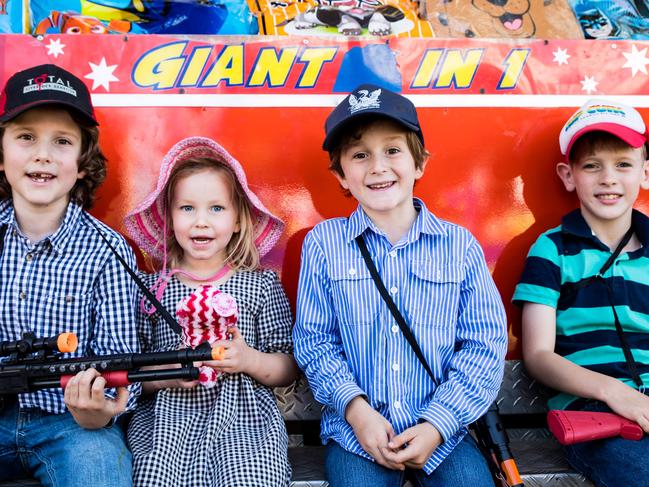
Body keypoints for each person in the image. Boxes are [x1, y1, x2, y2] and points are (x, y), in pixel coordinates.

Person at [292, 84, 508, 486]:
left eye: (392, 150)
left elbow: (484, 345)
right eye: (360, 155)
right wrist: (357, 412)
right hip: (357, 435)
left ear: (419, 163)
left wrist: (437, 424)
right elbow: (315, 342)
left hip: (444, 435)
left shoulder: (459, 246)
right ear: (340, 173)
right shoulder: (323, 244)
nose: (377, 166)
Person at [123, 136, 298, 487]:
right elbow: (133, 370)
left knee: (252, 479)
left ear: (237, 220)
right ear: (169, 219)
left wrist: (248, 360)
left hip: (244, 421)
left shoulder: (261, 285)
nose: (201, 221)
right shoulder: (151, 288)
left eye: (216, 208)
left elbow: (289, 365)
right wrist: (167, 374)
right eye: (187, 208)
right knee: (152, 478)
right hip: (167, 423)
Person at [0, 64, 139, 485]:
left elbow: (120, 363)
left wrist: (103, 409)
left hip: (70, 424)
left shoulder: (108, 250)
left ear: (82, 164)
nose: (43, 154)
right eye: (26, 137)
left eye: (62, 142)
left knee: (99, 468)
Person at [513, 99, 649, 486]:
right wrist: (613, 393)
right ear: (568, 175)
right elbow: (538, 355)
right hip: (594, 416)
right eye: (592, 165)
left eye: (623, 164)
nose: (608, 177)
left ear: (645, 172)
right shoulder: (552, 249)